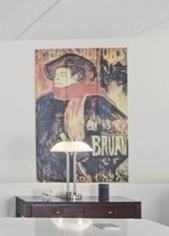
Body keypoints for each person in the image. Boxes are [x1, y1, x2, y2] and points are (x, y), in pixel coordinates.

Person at [35, 52, 128, 182]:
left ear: (76, 77)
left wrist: (84, 155)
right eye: (56, 75)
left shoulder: (94, 101)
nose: (57, 78)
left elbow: (119, 134)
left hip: (80, 173)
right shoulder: (43, 102)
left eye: (62, 74)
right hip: (46, 173)